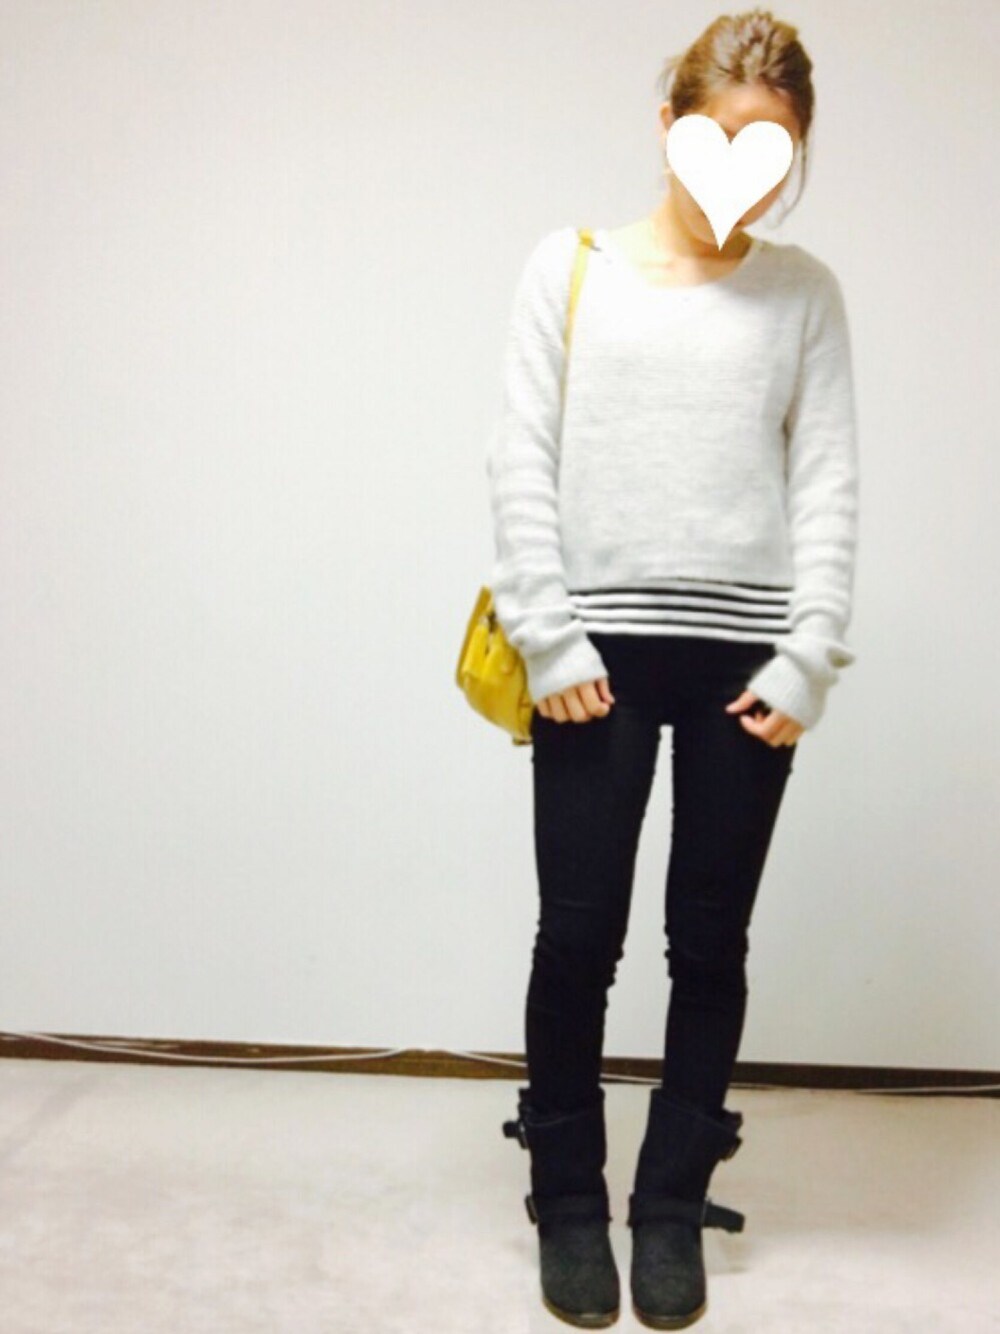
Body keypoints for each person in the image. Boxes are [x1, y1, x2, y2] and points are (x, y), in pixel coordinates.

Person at [490, 9, 860, 1330]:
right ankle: (567, 1198)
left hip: (744, 669)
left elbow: (826, 484)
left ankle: (668, 1204)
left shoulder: (803, 294)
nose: (746, 170)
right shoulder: (570, 268)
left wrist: (809, 658)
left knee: (709, 943)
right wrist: (549, 636)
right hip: (591, 657)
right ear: (669, 125)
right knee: (578, 934)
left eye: (776, 149)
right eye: (723, 136)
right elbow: (519, 459)